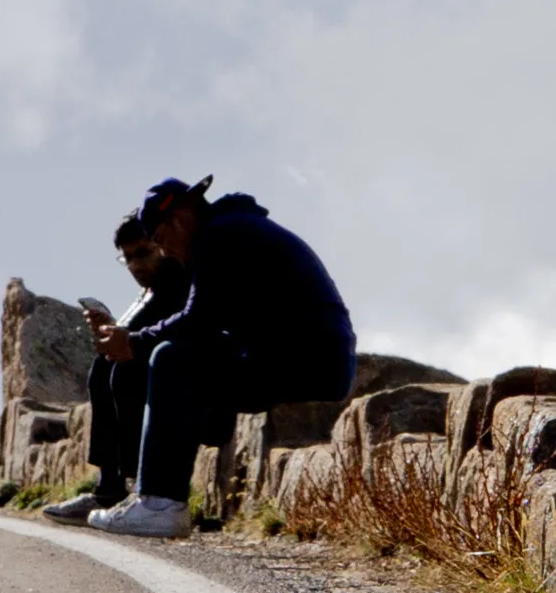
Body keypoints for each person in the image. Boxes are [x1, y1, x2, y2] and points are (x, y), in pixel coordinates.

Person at [51, 178, 355, 539]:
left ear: (178, 221)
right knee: (167, 357)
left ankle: (161, 503)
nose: (169, 254)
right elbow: (210, 323)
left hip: (307, 363)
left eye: (161, 242)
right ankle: (143, 494)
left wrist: (132, 343)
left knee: (170, 359)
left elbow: (198, 320)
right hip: (299, 357)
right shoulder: (231, 230)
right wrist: (131, 341)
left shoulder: (222, 235)